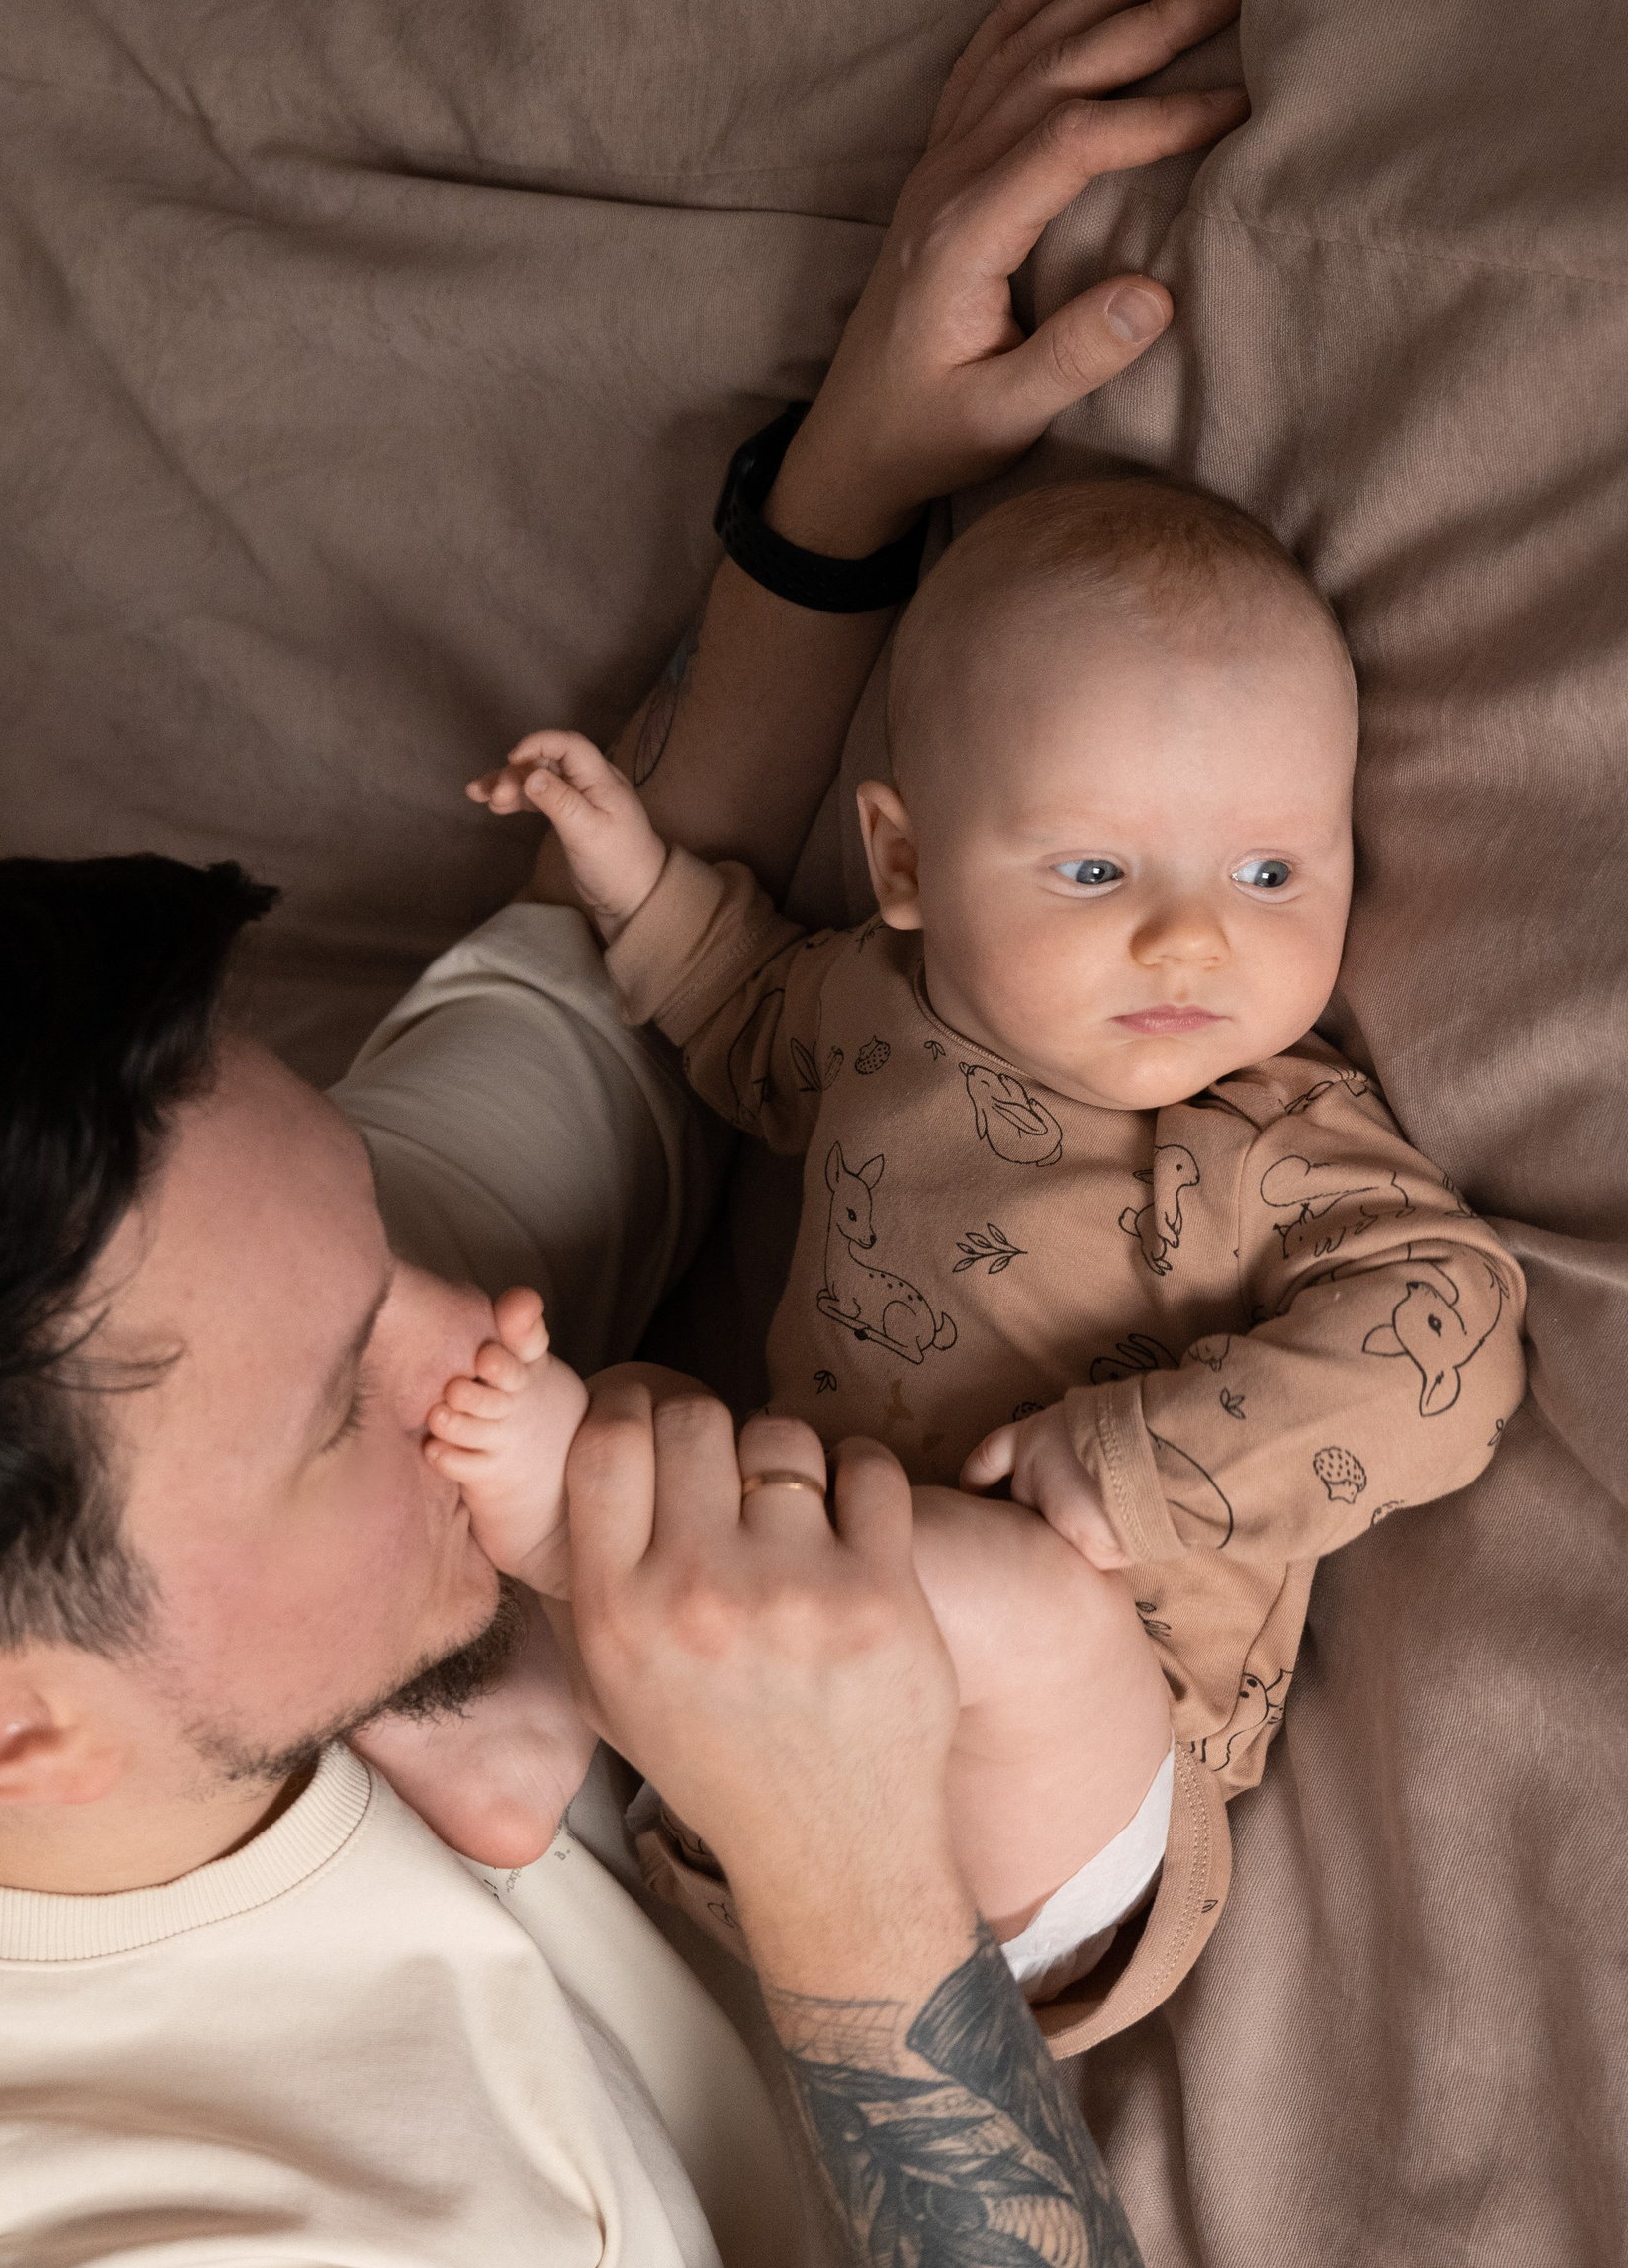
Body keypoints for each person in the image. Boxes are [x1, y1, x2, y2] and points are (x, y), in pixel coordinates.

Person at [0, 0, 1244, 2268]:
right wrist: (845, 1867)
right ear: (10, 1734)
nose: (494, 1321)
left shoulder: (145, 1361)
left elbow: (603, 983)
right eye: (348, 1393)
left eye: (357, 1199)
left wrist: (854, 477)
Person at [451, 475, 1525, 1989]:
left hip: (1070, 1781)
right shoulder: (867, 1008)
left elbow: (1450, 1345)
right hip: (754, 1733)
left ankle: (574, 1572)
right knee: (643, 1415)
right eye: (1095, 870)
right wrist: (630, 875)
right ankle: (547, 1657)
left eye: (1269, 873)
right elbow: (737, 1003)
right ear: (903, 863)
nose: (1193, 938)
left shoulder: (1273, 1137)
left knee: (1011, 1598)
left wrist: (1152, 1463)